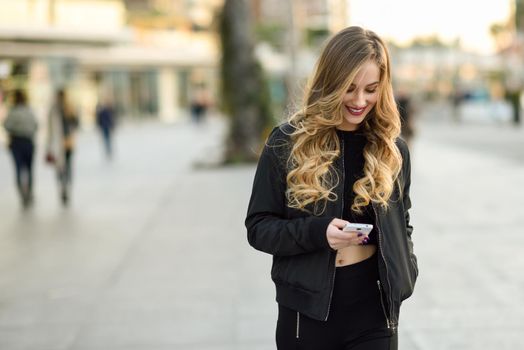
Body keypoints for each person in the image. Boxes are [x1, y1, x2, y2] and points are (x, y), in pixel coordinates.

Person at [245, 26, 418, 350]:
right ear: (330, 82)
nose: (359, 100)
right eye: (349, 88)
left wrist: (406, 268)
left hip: (374, 314)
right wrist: (318, 233)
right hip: (306, 315)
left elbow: (402, 220)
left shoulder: (392, 149)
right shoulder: (286, 142)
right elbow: (259, 228)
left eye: (371, 89)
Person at [3, 89, 38, 208]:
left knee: (18, 169)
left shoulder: (13, 112)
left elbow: (7, 126)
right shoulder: (29, 110)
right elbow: (35, 125)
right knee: (29, 169)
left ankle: (23, 195)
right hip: (28, 141)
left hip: (17, 142)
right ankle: (29, 192)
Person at [45, 89, 79, 206]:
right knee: (64, 166)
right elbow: (76, 124)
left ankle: (64, 186)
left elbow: (76, 123)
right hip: (63, 142)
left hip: (64, 143)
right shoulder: (58, 109)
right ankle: (64, 185)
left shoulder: (63, 108)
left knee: (63, 166)